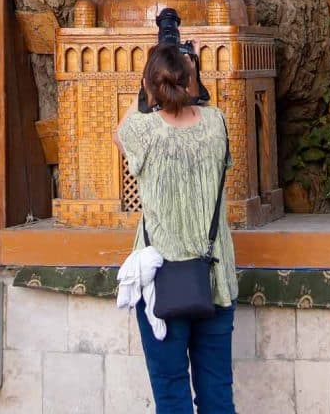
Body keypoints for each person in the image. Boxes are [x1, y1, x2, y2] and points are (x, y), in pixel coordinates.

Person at [115, 43, 238, 414]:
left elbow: (119, 133)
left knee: (171, 396)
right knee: (217, 394)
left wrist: (143, 89)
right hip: (214, 279)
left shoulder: (142, 130)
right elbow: (200, 102)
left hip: (161, 282)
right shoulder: (216, 123)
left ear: (149, 85)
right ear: (189, 80)